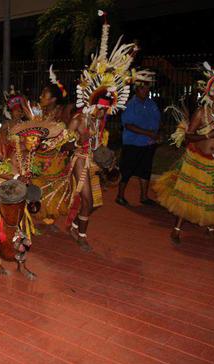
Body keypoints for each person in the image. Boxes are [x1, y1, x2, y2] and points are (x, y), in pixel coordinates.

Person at [64, 11, 139, 252]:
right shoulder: (78, 120)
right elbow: (63, 144)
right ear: (90, 103)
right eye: (99, 109)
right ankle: (82, 235)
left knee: (94, 203)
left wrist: (108, 159)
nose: (102, 113)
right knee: (87, 199)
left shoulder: (100, 121)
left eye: (106, 110)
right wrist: (74, 143)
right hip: (79, 161)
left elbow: (100, 144)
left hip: (93, 161)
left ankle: (76, 224)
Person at [154, 64, 214, 244]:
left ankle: (210, 229)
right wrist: (206, 134)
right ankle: (177, 229)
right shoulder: (201, 113)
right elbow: (188, 137)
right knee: (188, 196)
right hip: (196, 162)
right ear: (211, 93)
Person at [0, 119, 61, 278]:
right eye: (32, 139)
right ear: (24, 138)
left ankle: (21, 265)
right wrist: (18, 177)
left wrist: (28, 188)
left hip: (20, 195)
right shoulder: (14, 152)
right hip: (7, 196)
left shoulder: (30, 153)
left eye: (38, 140)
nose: (35, 142)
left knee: (22, 232)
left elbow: (26, 175)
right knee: (2, 231)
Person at [30, 66, 71, 227]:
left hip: (54, 158)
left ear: (53, 99)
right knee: (37, 184)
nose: (41, 97)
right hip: (38, 156)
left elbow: (67, 134)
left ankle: (51, 214)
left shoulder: (62, 113)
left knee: (52, 187)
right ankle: (40, 211)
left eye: (44, 95)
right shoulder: (39, 112)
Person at [116, 73, 160, 206]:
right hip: (133, 143)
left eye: (147, 89)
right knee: (127, 170)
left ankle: (144, 197)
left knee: (145, 170)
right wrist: (148, 133)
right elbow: (128, 125)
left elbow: (157, 120)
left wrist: (157, 134)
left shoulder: (151, 103)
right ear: (137, 89)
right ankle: (120, 195)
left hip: (148, 143)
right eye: (143, 89)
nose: (146, 91)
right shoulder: (131, 104)